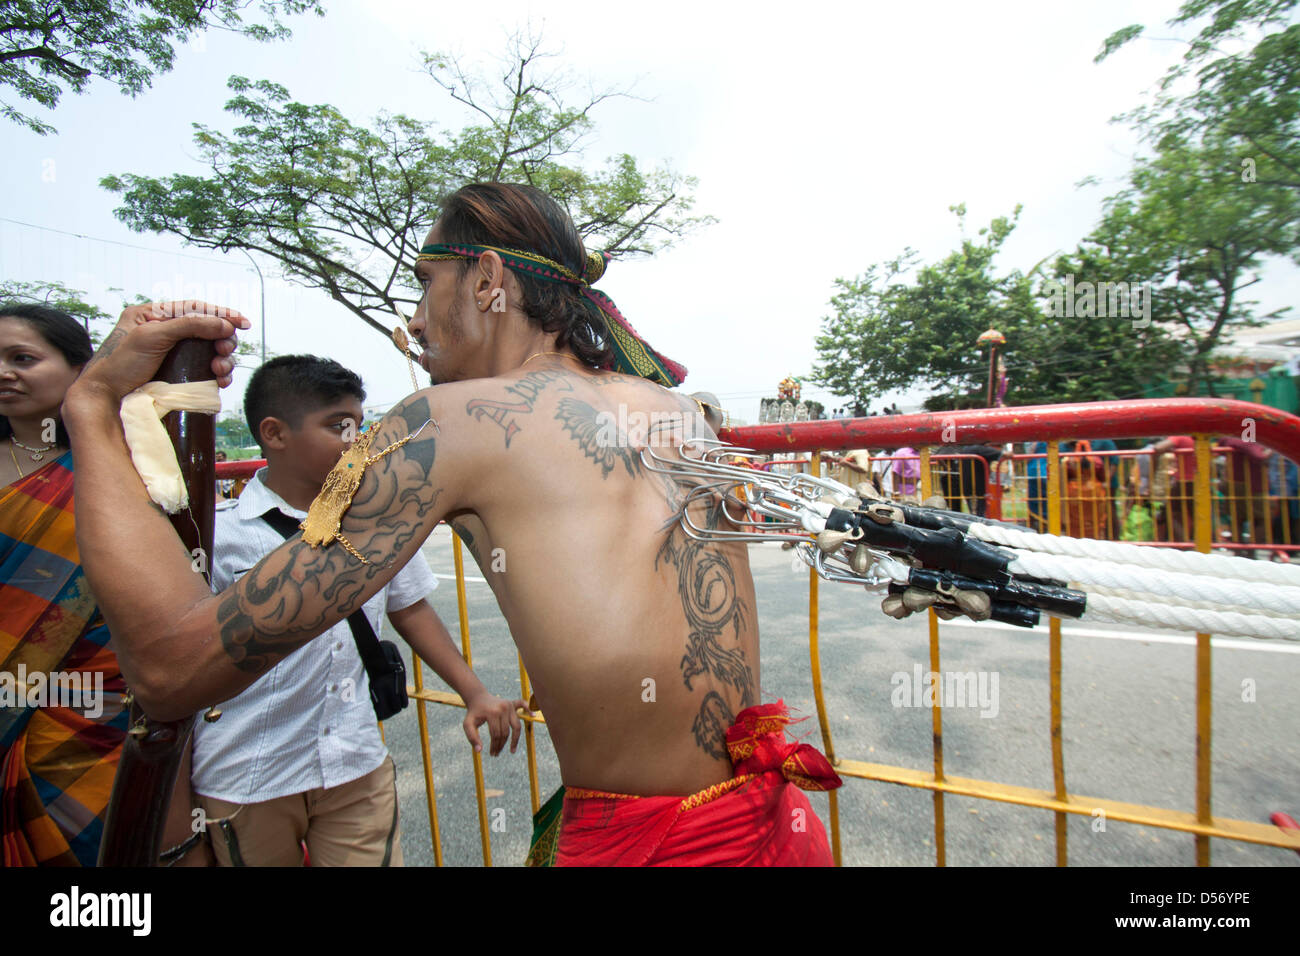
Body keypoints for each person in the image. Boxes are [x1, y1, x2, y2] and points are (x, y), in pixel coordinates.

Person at [64, 183, 838, 867]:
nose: (415, 319)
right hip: (777, 824)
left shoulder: (446, 426)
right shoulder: (675, 411)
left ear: (489, 278)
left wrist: (92, 404)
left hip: (650, 848)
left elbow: (168, 669)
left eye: (427, 284)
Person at [191, 355, 525, 866]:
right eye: (337, 426)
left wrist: (474, 692)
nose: (358, 440)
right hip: (250, 772)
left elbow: (411, 609)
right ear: (275, 434)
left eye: (360, 424)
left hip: (354, 762)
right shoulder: (220, 535)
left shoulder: (375, 523)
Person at [0, 303, 127, 866]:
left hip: (89, 704)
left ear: (81, 371)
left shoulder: (123, 463)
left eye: (22, 358)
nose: (4, 372)